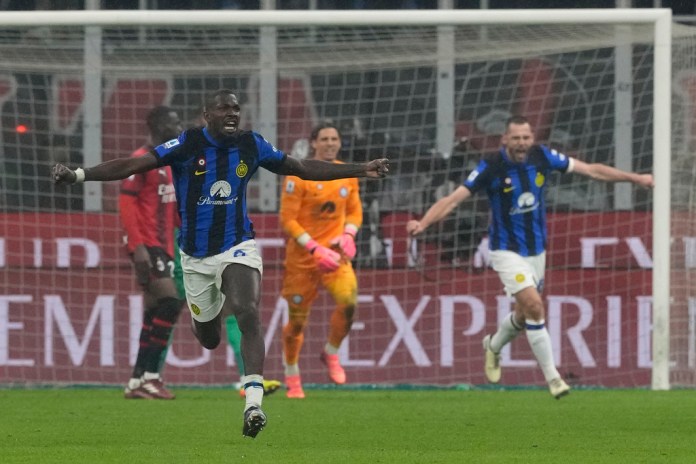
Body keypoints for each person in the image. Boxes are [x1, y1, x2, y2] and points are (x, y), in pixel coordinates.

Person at [52, 89, 389, 439]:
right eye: (223, 108)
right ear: (206, 114)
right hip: (196, 256)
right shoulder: (188, 144)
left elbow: (301, 167)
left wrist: (362, 169)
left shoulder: (251, 144)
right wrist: (79, 175)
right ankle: (207, 318)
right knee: (209, 337)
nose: (232, 113)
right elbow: (132, 165)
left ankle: (253, 404)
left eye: (236, 108)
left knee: (247, 310)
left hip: (238, 244)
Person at [406, 115, 653, 399]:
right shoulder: (491, 167)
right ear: (505, 139)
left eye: (526, 137)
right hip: (505, 250)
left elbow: (591, 171)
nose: (522, 143)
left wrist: (635, 179)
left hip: (537, 251)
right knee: (536, 307)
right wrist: (423, 224)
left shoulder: (542, 156)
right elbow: (452, 200)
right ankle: (554, 379)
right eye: (516, 138)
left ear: (532, 139)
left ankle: (494, 345)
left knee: (524, 315)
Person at [279, 121, 362, 399]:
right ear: (313, 143)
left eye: (334, 139)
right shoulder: (297, 176)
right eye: (324, 138)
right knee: (297, 324)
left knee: (349, 302)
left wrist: (348, 235)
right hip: (303, 261)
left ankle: (331, 353)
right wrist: (315, 249)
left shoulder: (347, 174)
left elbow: (354, 212)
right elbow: (287, 220)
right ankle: (292, 375)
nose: (330, 143)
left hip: (336, 257)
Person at [120, 106, 184, 400]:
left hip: (165, 245)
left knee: (153, 311)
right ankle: (151, 376)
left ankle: (136, 381)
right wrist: (137, 248)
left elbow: (172, 208)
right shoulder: (140, 160)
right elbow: (127, 205)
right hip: (148, 245)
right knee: (171, 301)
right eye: (173, 122)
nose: (178, 126)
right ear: (157, 125)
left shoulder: (169, 161)